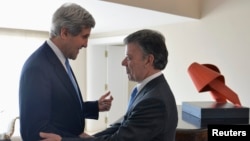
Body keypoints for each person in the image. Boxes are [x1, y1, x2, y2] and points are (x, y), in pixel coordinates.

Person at [39, 29, 178, 141]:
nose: (123, 63)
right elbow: (123, 125)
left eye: (129, 58)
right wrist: (92, 138)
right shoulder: (147, 90)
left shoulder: (154, 101)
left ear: (148, 60)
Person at [19, 3, 113, 141]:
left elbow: (60, 108)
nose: (86, 44)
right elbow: (35, 131)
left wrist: (94, 107)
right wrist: (78, 139)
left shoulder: (62, 60)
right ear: (64, 33)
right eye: (84, 36)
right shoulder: (37, 68)